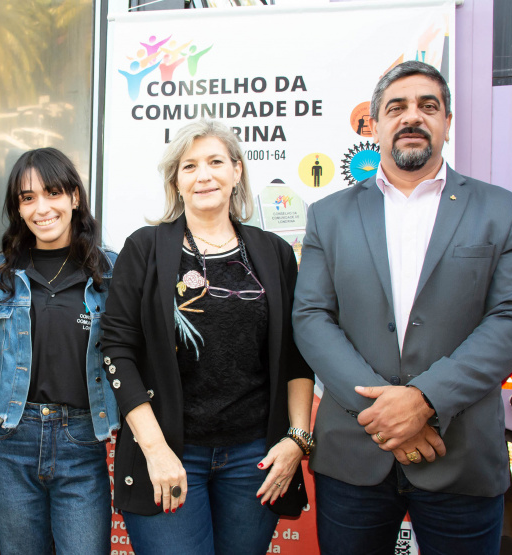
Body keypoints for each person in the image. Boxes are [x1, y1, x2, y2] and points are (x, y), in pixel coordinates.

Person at [292, 60, 512, 554]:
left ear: (447, 122)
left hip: (459, 454)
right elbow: (311, 317)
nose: (413, 117)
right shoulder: (329, 215)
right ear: (374, 125)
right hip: (354, 458)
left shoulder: (503, 211)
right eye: (396, 107)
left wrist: (425, 400)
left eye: (429, 106)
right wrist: (384, 414)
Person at [101, 119, 314, 555]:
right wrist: (155, 451)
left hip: (254, 457)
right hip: (169, 450)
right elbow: (117, 349)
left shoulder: (274, 252)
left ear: (237, 171)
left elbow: (296, 355)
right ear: (176, 182)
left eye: (216, 161)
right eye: (189, 166)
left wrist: (297, 438)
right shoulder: (144, 249)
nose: (204, 175)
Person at [0, 147, 118, 555]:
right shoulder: (0, 272)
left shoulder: (110, 271)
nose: (41, 207)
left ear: (74, 198)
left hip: (81, 440)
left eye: (53, 192)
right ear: (18, 209)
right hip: (10, 439)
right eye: (28, 198)